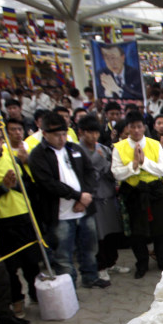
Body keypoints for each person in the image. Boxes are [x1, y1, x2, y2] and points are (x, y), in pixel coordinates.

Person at [28, 112, 110, 288]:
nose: (61, 138)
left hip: (85, 209)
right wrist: (77, 196)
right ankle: (68, 285)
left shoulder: (74, 149)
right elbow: (48, 183)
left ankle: (90, 277)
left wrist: (86, 196)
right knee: (63, 254)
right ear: (44, 134)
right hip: (59, 213)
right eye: (56, 135)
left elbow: (89, 172)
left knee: (89, 247)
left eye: (64, 134)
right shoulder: (38, 155)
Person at [111, 111, 163, 278]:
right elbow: (116, 173)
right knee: (136, 233)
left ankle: (162, 259)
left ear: (144, 127)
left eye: (139, 126)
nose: (137, 130)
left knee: (161, 230)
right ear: (128, 128)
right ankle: (142, 263)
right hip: (133, 193)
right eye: (133, 127)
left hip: (154, 192)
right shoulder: (119, 147)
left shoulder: (154, 144)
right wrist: (133, 165)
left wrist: (144, 162)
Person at [76, 116, 128, 281]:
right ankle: (100, 267)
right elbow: (82, 176)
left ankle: (112, 263)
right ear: (81, 133)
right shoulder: (77, 152)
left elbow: (113, 169)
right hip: (93, 199)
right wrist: (100, 163)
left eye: (96, 133)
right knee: (98, 236)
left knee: (112, 233)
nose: (94, 136)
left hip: (109, 195)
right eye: (90, 133)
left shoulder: (103, 148)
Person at [0, 123, 40, 316]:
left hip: (23, 216)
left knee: (31, 260)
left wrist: (18, 178)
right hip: (3, 222)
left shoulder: (12, 158)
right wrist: (3, 188)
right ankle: (17, 299)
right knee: (11, 266)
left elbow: (28, 185)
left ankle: (36, 292)